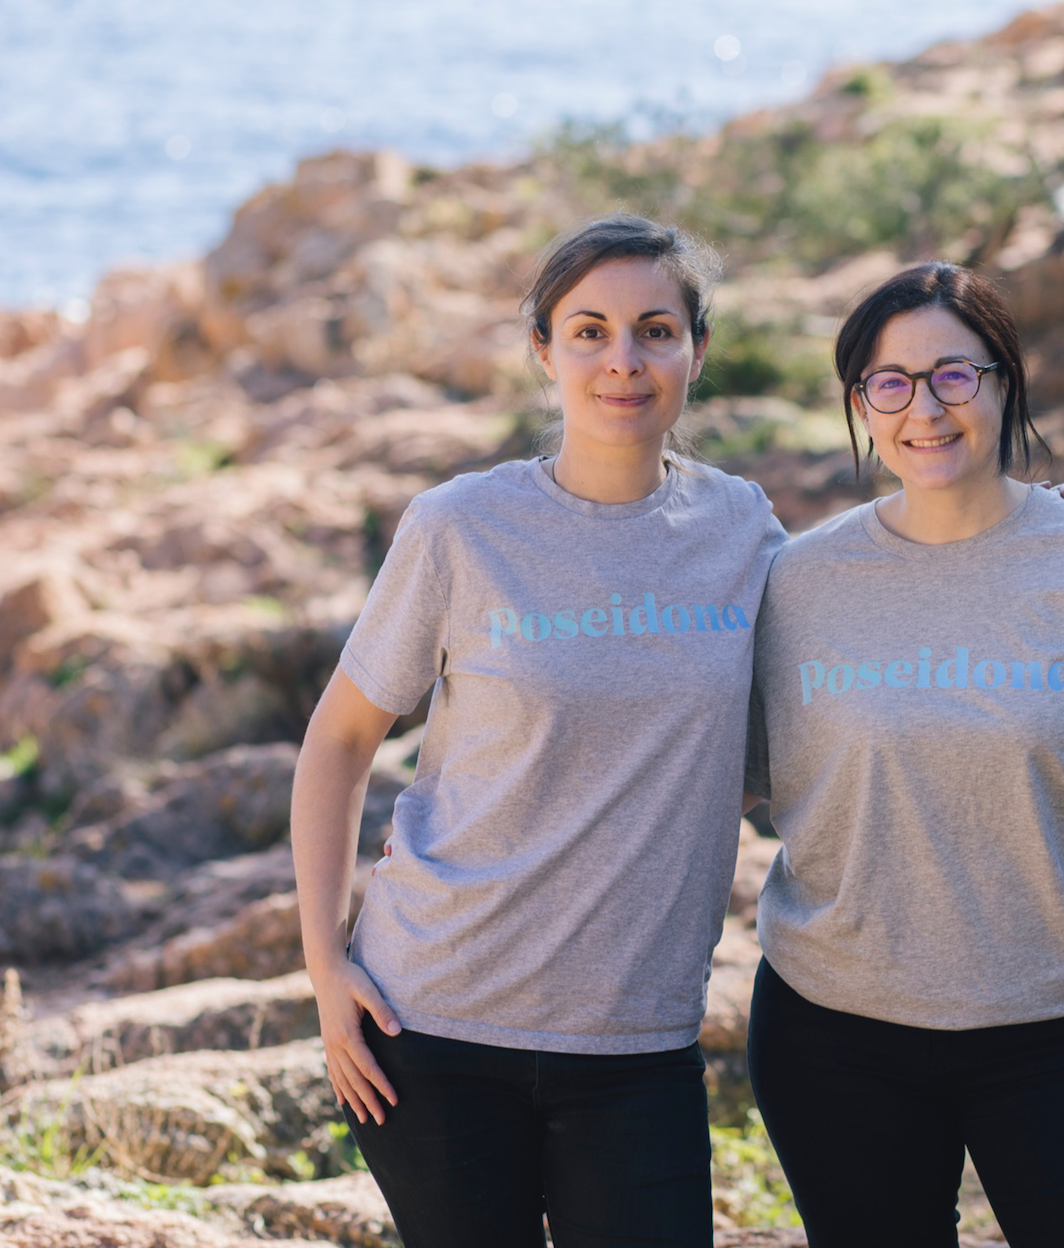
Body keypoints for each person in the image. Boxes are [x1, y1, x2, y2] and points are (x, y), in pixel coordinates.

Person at [288, 215, 787, 1248]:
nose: (623, 360)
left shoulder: (745, 531)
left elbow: (856, 638)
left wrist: (1011, 535)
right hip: (433, 1028)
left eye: (655, 330)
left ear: (696, 350)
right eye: (589, 330)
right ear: (543, 352)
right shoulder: (460, 527)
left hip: (637, 1041)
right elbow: (338, 742)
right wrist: (325, 967)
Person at [743, 261, 1064, 1247]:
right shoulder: (793, 584)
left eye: (954, 376)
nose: (924, 408)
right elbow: (680, 759)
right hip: (835, 1035)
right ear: (860, 405)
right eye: (890, 383)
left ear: (1005, 381)